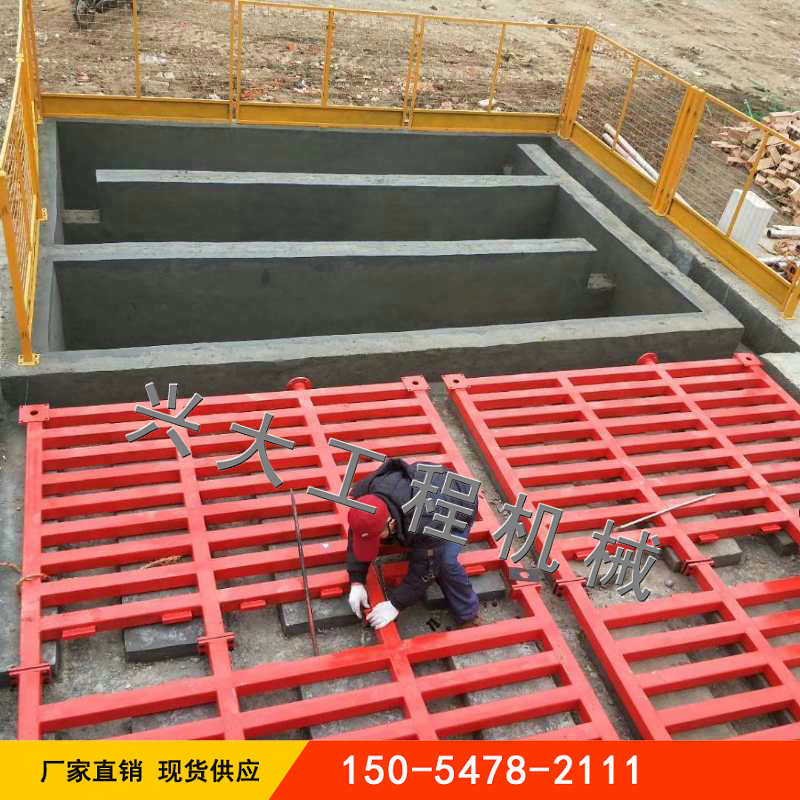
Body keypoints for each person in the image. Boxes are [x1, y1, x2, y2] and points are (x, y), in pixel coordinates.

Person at [345, 458, 481, 630]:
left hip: (458, 507)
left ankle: (468, 614)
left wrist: (395, 604)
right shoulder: (366, 495)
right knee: (384, 535)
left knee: (445, 563)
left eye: (378, 534)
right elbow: (359, 529)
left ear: (391, 523)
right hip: (425, 486)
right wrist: (356, 581)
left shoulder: (426, 522)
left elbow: (427, 570)